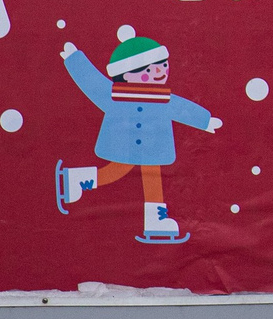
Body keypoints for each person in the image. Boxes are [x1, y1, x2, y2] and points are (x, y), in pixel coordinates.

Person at [54, 27, 220, 243]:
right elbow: (92, 83)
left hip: (154, 146)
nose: (160, 72)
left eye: (163, 66)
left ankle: (154, 220)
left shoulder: (162, 98)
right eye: (149, 70)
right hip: (123, 142)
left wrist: (205, 120)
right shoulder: (114, 95)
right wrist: (75, 59)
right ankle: (76, 179)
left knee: (152, 176)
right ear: (126, 75)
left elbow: (182, 108)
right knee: (116, 171)